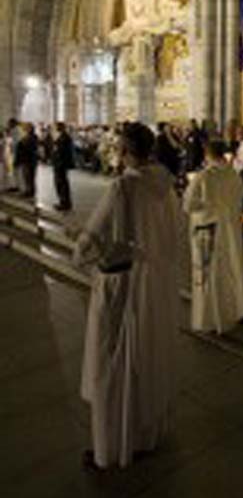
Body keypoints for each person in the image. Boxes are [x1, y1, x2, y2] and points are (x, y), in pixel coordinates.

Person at [73, 122, 180, 470]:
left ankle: (113, 446)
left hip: (124, 286)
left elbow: (95, 238)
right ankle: (146, 435)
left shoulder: (123, 187)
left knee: (114, 362)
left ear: (126, 150)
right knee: (148, 356)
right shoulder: (165, 184)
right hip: (157, 284)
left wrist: (80, 246)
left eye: (119, 147)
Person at [182, 139, 243, 334]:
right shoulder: (232, 174)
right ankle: (230, 311)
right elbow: (241, 194)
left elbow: (188, 205)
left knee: (206, 274)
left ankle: (207, 318)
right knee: (227, 270)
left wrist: (207, 204)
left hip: (206, 231)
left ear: (207, 153)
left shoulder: (203, 176)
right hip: (228, 230)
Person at [52, 122, 75, 211]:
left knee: (62, 183)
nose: (55, 128)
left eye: (56, 126)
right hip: (59, 163)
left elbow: (62, 152)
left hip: (61, 164)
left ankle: (65, 203)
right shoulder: (61, 136)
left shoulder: (64, 137)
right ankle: (62, 201)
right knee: (60, 183)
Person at [14, 123, 39, 199]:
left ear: (31, 129)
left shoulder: (34, 137)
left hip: (30, 160)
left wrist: (22, 143)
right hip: (25, 160)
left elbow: (31, 148)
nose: (25, 129)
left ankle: (30, 191)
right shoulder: (26, 136)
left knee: (30, 176)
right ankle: (28, 190)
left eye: (27, 128)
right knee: (26, 176)